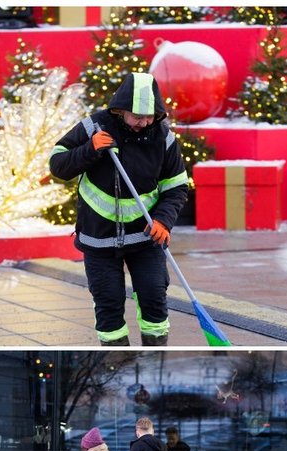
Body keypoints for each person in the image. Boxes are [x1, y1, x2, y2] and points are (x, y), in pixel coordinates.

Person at [49, 73, 188, 346]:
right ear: (121, 108)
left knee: (153, 296)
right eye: (137, 116)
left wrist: (163, 220)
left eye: (149, 116)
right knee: (108, 301)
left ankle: (155, 353)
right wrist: (90, 149)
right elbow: (58, 165)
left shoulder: (163, 138)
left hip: (146, 235)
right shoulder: (94, 127)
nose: (143, 122)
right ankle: (115, 357)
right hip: (97, 236)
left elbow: (176, 187)